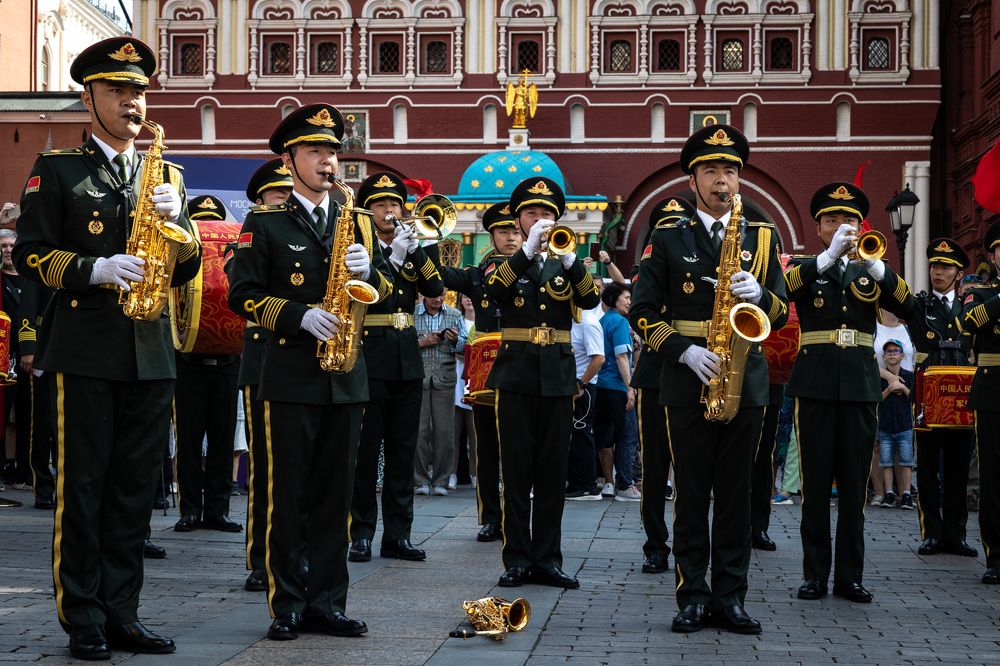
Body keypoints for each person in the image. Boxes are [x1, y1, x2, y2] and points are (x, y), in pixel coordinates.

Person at [12, 37, 201, 659]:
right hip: (86, 349)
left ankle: (124, 612)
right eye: (117, 91)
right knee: (84, 486)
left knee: (133, 489)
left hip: (150, 351)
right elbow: (31, 254)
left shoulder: (166, 174)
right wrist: (92, 269)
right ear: (88, 97)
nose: (131, 102)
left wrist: (183, 231)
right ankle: (83, 615)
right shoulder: (58, 169)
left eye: (138, 92)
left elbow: (185, 270)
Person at [227, 102, 393, 640]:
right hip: (290, 376)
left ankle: (328, 603)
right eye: (315, 151)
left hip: (345, 378)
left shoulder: (356, 220)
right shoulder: (265, 222)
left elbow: (385, 289)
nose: (327, 162)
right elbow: (242, 294)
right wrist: (298, 315)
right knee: (288, 494)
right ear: (289, 159)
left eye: (332, 152)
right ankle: (288, 604)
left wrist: (375, 273)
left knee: (334, 497)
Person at [630, 125, 789, 634]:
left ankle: (731, 597)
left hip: (746, 378)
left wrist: (762, 296)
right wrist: (683, 350)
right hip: (687, 377)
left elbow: (781, 311)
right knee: (692, 493)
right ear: (693, 180)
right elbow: (643, 312)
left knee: (739, 494)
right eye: (712, 171)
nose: (723, 181)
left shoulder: (761, 237)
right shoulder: (666, 237)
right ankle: (693, 595)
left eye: (731, 171)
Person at [783, 182, 912, 605]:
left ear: (861, 226)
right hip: (815, 383)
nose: (841, 225)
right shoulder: (807, 266)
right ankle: (815, 575)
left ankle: (850, 577)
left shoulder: (870, 268)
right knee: (816, 486)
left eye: (849, 219)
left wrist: (880, 270)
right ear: (819, 226)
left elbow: (909, 308)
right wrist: (826, 259)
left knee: (855, 487)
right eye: (832, 219)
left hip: (858, 385)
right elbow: (781, 291)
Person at [486, 176, 600, 589]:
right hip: (515, 374)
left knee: (553, 472)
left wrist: (572, 262)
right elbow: (493, 292)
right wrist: (526, 251)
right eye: (531, 213)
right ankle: (517, 558)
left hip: (556, 375)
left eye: (546, 213)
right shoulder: (504, 262)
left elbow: (590, 300)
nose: (539, 219)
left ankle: (548, 559)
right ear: (518, 220)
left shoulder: (567, 262)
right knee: (517, 471)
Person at [349, 171, 443, 563]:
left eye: (395, 204)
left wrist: (416, 251)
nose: (390, 211)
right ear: (367, 211)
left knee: (403, 452)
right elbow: (367, 293)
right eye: (381, 204)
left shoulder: (413, 243)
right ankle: (361, 534)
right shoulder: (357, 245)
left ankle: (398, 535)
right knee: (365, 451)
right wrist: (395, 258)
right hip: (370, 354)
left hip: (407, 357)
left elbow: (435, 289)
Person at [425, 201, 521, 541]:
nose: (511, 237)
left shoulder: (538, 270)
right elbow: (435, 277)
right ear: (491, 236)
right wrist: (430, 237)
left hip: (522, 364)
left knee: (519, 446)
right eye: (503, 231)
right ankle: (491, 518)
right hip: (485, 369)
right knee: (486, 447)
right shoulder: (476, 275)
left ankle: (518, 517)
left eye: (515, 231)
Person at [234, 158, 293, 592]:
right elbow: (244, 290)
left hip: (305, 360)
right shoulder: (251, 236)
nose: (286, 200)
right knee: (265, 465)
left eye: (290, 193)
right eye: (279, 194)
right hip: (263, 357)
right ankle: (261, 556)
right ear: (259, 201)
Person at [898, 239, 977, 556]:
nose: (937, 272)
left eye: (945, 267)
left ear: (959, 274)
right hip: (928, 395)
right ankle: (931, 533)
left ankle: (956, 535)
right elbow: (895, 298)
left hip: (960, 396)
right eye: (934, 265)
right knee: (928, 466)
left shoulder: (970, 309)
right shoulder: (920, 306)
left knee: (958, 468)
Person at [631, 196, 696, 574]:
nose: (674, 230)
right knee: (655, 469)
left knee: (691, 468)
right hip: (657, 374)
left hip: (693, 373)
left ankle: (689, 543)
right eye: (666, 225)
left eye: (680, 223)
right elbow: (644, 309)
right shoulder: (648, 265)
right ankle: (655, 544)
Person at [171, 194, 242, 535]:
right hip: (188, 360)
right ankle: (189, 509)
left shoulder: (234, 246)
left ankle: (217, 510)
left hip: (228, 359)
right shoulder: (180, 250)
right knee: (188, 439)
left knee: (222, 439)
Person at [961, 219, 1000, 584]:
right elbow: (969, 322)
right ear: (993, 255)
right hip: (993, 391)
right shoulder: (982, 293)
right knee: (993, 477)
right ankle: (996, 556)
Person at [413, 291, 466, 495]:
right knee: (419, 431)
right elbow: (403, 344)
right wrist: (422, 342)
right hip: (419, 378)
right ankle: (420, 480)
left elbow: (464, 346)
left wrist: (454, 340)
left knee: (444, 432)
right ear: (423, 295)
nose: (439, 299)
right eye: (434, 295)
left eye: (442, 295)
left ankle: (441, 481)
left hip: (444, 379)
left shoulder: (454, 314)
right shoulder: (412, 314)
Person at [594, 282, 640, 501]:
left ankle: (608, 483)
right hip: (617, 386)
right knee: (627, 436)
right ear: (614, 299)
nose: (630, 302)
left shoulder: (602, 320)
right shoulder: (621, 322)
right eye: (626, 298)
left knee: (604, 436)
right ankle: (625, 484)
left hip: (600, 386)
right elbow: (622, 356)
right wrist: (630, 388)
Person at [18, 277, 55, 509]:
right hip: (44, 347)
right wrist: (28, 348)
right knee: (42, 422)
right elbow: (27, 308)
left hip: (73, 351)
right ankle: (43, 486)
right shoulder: (43, 266)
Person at [877, 340, 915, 509]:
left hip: (905, 426)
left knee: (906, 461)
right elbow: (877, 398)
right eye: (889, 352)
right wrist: (890, 388)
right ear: (884, 357)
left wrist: (902, 387)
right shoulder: (881, 377)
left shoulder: (909, 376)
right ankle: (889, 493)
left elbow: (913, 398)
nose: (892, 354)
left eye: (895, 351)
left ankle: (906, 493)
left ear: (902, 355)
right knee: (886, 462)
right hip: (885, 426)